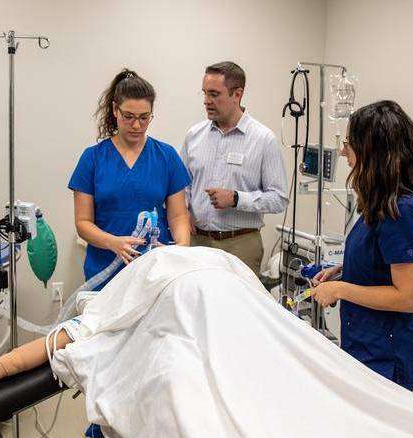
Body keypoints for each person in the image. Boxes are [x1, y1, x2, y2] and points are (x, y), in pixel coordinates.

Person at [311, 100, 413, 391]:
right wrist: (345, 271)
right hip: (365, 345)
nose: (343, 151)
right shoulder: (380, 204)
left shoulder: (404, 211)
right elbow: (384, 262)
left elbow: (407, 297)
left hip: (386, 355)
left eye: (349, 142)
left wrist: (340, 290)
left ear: (373, 151)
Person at [69, 69, 191, 290]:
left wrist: (179, 248)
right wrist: (113, 243)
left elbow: (178, 215)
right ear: (115, 110)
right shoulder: (93, 159)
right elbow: (83, 223)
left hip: (155, 272)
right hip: (105, 272)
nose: (137, 125)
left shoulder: (166, 156)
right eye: (129, 117)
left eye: (144, 118)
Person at [182, 61, 287, 274]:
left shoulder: (263, 139)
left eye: (214, 94)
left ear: (237, 94)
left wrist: (237, 199)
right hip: (197, 242)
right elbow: (182, 185)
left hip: (240, 246)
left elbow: (279, 199)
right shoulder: (194, 135)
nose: (206, 101)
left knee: (236, 307)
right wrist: (184, 211)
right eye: (204, 93)